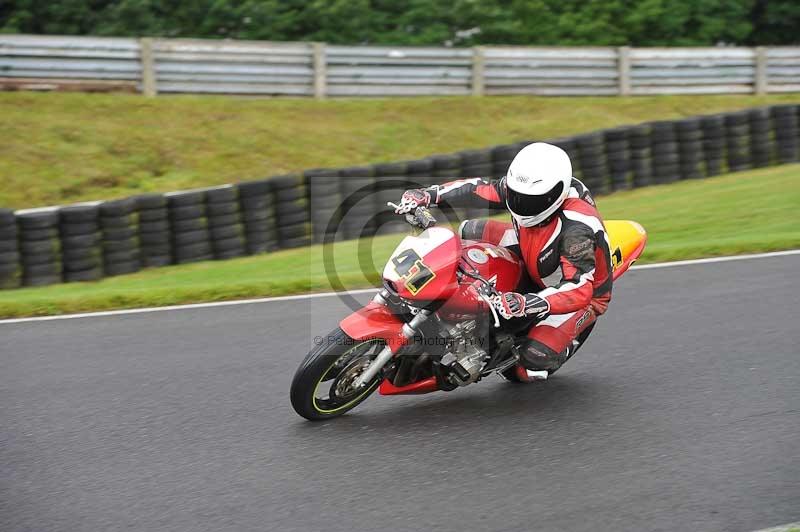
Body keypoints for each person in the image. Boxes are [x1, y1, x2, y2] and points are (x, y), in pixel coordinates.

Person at [394, 142, 613, 381]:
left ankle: (559, 340)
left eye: (529, 200)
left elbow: (580, 289)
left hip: (572, 288)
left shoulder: (577, 230)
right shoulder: (521, 191)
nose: (519, 204)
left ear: (555, 195)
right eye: (516, 195)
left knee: (526, 367)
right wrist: (428, 195)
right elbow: (476, 189)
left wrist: (525, 303)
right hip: (529, 246)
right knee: (469, 230)